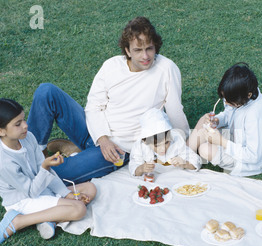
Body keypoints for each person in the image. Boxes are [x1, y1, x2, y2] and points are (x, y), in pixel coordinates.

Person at [27, 16, 190, 184]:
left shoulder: (167, 69)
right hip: (94, 132)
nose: (146, 56)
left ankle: (77, 154)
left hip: (119, 149)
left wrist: (185, 143)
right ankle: (30, 154)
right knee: (46, 91)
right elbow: (93, 106)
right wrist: (102, 139)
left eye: (149, 48)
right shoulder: (111, 66)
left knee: (52, 177)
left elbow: (175, 110)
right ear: (127, 50)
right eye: (138, 50)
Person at [0, 99, 96, 246]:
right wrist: (45, 167)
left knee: (90, 188)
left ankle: (50, 219)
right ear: (0, 131)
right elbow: (32, 191)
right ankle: (18, 221)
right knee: (79, 209)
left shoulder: (27, 137)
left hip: (41, 187)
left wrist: (65, 193)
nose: (25, 125)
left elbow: (46, 172)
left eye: (23, 119)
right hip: (23, 199)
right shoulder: (2, 162)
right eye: (18, 124)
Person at [187, 63, 262, 176]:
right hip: (235, 138)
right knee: (203, 121)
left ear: (248, 95)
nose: (225, 103)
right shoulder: (238, 95)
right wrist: (217, 120)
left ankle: (191, 159)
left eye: (229, 101)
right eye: (225, 99)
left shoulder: (255, 115)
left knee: (204, 149)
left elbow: (253, 156)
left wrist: (221, 141)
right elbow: (228, 114)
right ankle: (186, 155)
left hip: (252, 161)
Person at [129, 108, 201, 178]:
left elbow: (196, 161)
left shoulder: (176, 140)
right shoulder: (140, 146)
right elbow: (133, 166)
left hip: (176, 176)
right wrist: (141, 168)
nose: (163, 149)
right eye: (157, 145)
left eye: (166, 142)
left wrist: (185, 163)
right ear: (145, 141)